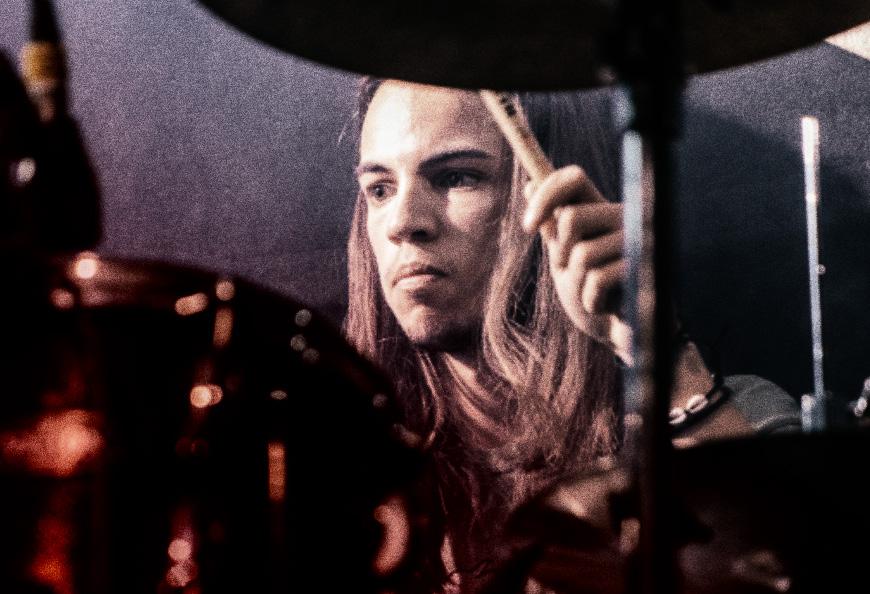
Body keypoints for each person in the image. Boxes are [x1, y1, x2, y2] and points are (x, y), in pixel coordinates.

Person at [343, 79, 798, 593]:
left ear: (561, 193)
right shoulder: (344, 481)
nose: (403, 222)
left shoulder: (740, 418)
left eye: (457, 177)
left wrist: (663, 359)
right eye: (380, 189)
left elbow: (788, 570)